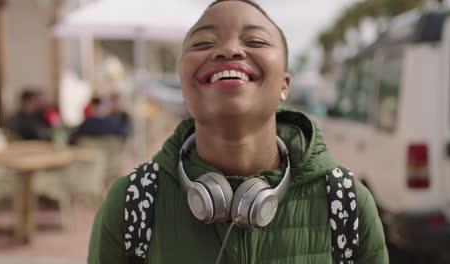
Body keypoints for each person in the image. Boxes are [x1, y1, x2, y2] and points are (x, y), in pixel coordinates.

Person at [88, 1, 388, 263]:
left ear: (285, 84)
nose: (229, 50)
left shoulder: (347, 203)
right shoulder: (132, 201)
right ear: (183, 86)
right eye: (203, 43)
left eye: (255, 40)